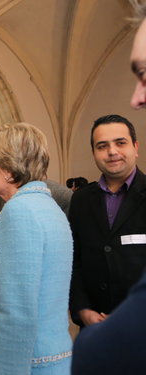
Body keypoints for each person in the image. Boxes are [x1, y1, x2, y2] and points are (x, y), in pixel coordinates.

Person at [0, 123, 73, 375]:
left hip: (30, 363)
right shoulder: (47, 206)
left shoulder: (19, 212)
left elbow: (19, 314)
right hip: (52, 355)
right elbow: (38, 286)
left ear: (8, 169)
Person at [68, 114, 146, 327]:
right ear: (94, 152)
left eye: (120, 143)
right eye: (102, 146)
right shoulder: (81, 200)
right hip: (94, 328)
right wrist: (83, 310)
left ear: (135, 147)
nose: (112, 152)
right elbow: (75, 262)